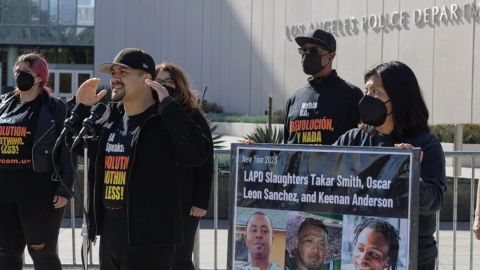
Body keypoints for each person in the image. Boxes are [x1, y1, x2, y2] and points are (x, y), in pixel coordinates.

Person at [71, 48, 210, 270]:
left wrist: (169, 107)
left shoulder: (164, 120)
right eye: (113, 72)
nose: (115, 78)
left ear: (146, 79)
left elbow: (198, 154)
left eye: (123, 72)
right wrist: (79, 108)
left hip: (150, 239)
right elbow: (77, 145)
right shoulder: (112, 119)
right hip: (111, 235)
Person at [335, 61, 446, 270]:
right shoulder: (353, 140)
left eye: (376, 91)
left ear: (399, 98)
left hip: (414, 256)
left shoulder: (425, 144)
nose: (368, 98)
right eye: (366, 90)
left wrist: (408, 175)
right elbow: (313, 170)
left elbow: (434, 201)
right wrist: (256, 157)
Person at [0, 53, 74, 269]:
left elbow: (67, 148)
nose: (19, 76)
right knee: (5, 253)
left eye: (25, 72)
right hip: (4, 189)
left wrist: (65, 187)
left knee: (41, 251)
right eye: (17, 71)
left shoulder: (54, 108)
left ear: (40, 77)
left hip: (39, 190)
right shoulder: (4, 104)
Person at [155, 62, 214, 270]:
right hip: (157, 201)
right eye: (158, 82)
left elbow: (206, 162)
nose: (163, 86)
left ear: (178, 84)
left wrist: (201, 200)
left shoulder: (192, 115)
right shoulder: (150, 114)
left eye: (168, 82)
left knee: (179, 257)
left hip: (185, 200)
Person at [284, 29, 363, 145]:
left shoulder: (352, 95)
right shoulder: (294, 99)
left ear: (331, 56)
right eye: (304, 50)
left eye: (313, 51)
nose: (307, 55)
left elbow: (364, 142)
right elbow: (284, 148)